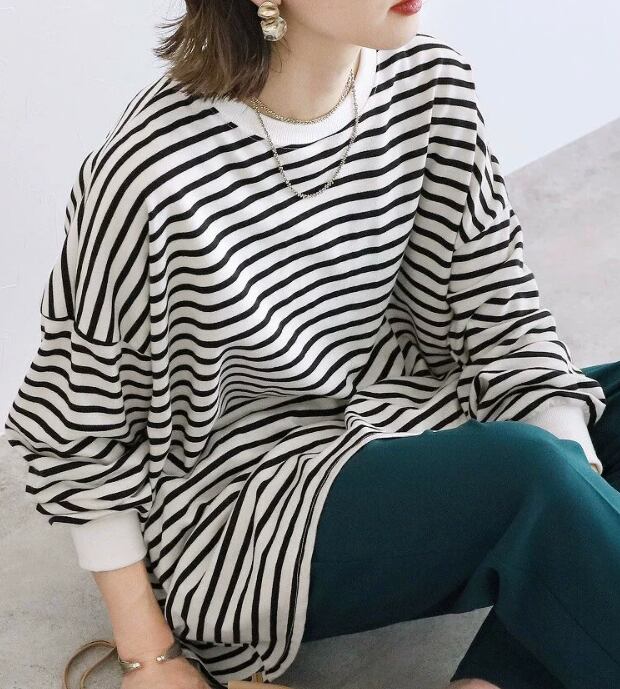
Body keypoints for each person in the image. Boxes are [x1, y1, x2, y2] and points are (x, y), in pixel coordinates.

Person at [5, 0, 620, 688]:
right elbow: (76, 434)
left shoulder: (429, 81)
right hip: (245, 511)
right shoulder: (150, 173)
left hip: (406, 415)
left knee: (577, 429)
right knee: (530, 474)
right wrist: (150, 656)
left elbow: (497, 305)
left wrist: (576, 476)